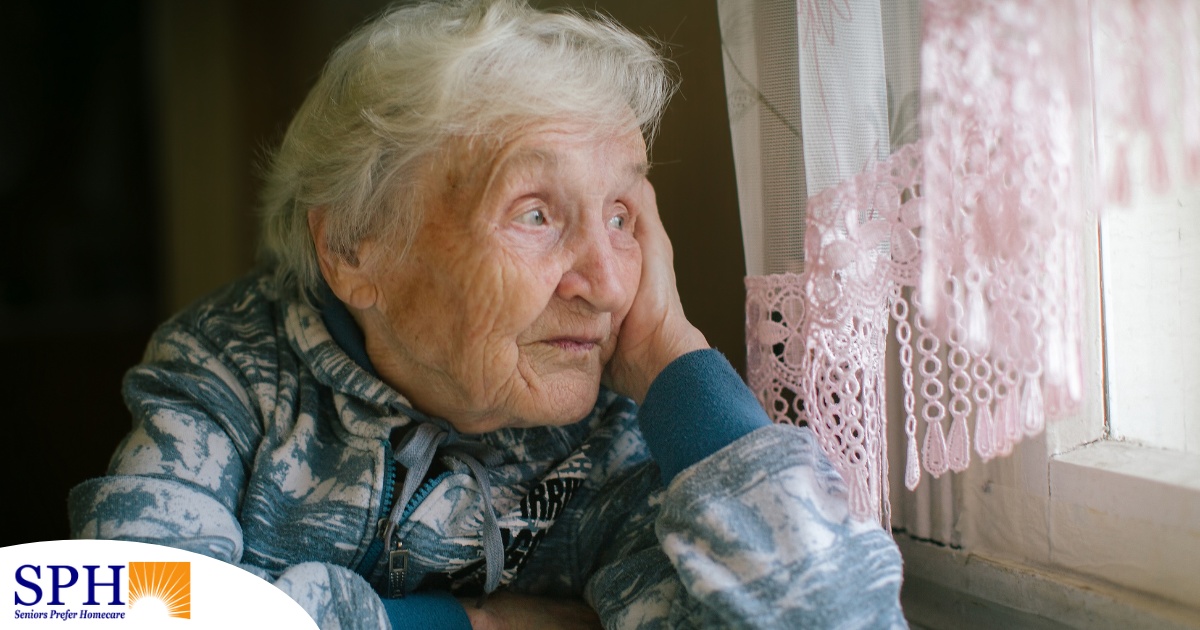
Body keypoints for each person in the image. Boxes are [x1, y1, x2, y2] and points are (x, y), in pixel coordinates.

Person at [69, 1, 907, 628]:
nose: (609, 286)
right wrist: (469, 623)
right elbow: (110, 612)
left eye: (621, 215)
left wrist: (674, 359)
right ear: (355, 247)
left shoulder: (616, 433)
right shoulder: (229, 374)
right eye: (536, 212)